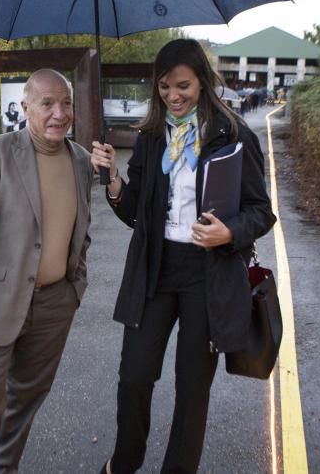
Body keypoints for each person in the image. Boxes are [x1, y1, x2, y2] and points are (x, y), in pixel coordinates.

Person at [90, 39, 276, 473]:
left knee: (192, 389)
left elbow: (261, 212)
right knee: (134, 375)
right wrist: (114, 180)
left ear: (203, 83)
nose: (173, 96)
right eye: (164, 87)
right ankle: (125, 461)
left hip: (206, 275)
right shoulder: (152, 138)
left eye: (183, 86)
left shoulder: (233, 136)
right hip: (155, 270)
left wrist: (229, 233)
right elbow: (136, 212)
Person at [0, 69, 93, 474]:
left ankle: (3, 467)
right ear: (25, 108)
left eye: (66, 103)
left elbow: (83, 231)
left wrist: (74, 287)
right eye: (47, 103)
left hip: (53, 305)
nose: (59, 113)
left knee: (27, 397)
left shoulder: (81, 161)